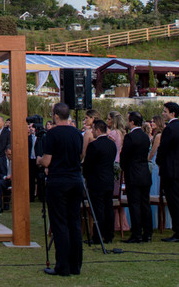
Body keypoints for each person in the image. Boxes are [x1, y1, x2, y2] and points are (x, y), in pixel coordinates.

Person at [40, 102, 83, 277]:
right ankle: (76, 265)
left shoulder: (52, 134)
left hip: (58, 181)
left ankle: (63, 266)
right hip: (75, 180)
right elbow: (80, 155)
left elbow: (47, 160)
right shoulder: (76, 133)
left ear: (56, 116)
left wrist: (40, 161)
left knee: (60, 224)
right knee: (74, 222)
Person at [156, 101, 179, 242]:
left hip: (171, 170)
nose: (163, 114)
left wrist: (159, 160)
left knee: (174, 201)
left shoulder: (170, 129)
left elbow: (164, 148)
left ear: (172, 113)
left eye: (165, 111)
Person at [120, 111, 152, 243]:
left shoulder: (130, 137)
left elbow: (124, 156)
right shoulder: (145, 137)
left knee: (134, 204)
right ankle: (148, 233)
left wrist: (124, 166)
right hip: (144, 172)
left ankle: (137, 233)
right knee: (145, 203)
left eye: (128, 120)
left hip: (133, 173)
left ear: (132, 122)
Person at [83, 120, 116, 243]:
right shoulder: (111, 144)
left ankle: (97, 236)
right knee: (108, 208)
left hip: (96, 180)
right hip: (108, 179)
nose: (91, 131)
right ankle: (109, 235)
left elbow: (88, 164)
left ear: (97, 129)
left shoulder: (94, 145)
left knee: (98, 209)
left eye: (93, 129)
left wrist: (85, 174)